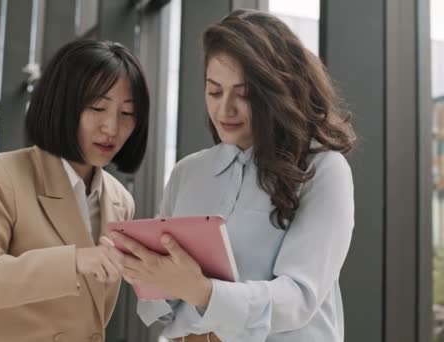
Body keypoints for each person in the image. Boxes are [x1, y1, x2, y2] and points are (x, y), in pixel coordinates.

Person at [111, 9, 356, 342]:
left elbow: (300, 297)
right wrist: (145, 271)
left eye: (244, 95)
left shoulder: (323, 169)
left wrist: (201, 290)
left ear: (277, 90)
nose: (224, 110)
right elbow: (162, 306)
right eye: (214, 92)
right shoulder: (188, 172)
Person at [0, 39, 149, 342]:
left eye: (127, 113)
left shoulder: (120, 201)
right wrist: (75, 261)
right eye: (98, 107)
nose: (112, 128)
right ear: (63, 106)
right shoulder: (0, 175)